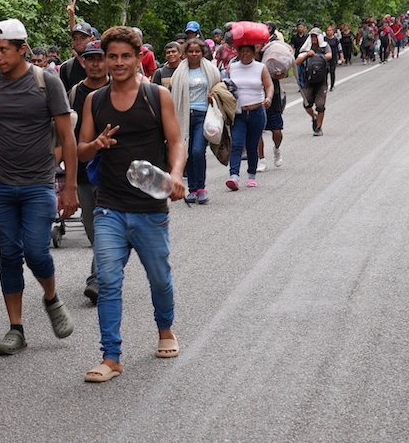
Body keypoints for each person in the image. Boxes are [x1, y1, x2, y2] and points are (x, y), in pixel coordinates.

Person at [76, 26, 186, 383]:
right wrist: (97, 145)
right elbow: (79, 150)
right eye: (112, 56)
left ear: (138, 58)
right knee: (108, 281)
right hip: (109, 206)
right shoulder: (95, 100)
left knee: (159, 279)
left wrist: (177, 175)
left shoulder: (157, 96)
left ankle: (165, 330)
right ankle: (111, 356)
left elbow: (176, 140)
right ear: (104, 60)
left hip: (150, 209)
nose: (119, 63)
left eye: (126, 56)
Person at [0, 19, 79, 357]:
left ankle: (51, 297)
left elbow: (68, 139)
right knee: (9, 255)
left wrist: (69, 187)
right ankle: (16, 328)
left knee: (37, 252)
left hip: (39, 184)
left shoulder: (47, 83)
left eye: (3, 50)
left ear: (22, 49)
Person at [67, 40, 109, 302]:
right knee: (90, 225)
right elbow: (66, 134)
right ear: (83, 61)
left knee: (104, 224)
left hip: (110, 170)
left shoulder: (117, 89)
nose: (94, 63)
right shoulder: (73, 93)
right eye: (89, 58)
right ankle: (106, 266)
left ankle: (98, 278)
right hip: (82, 168)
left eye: (99, 58)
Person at [170, 40, 222, 205]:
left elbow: (219, 88)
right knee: (187, 153)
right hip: (184, 115)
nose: (194, 54)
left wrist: (213, 96)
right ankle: (192, 189)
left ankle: (201, 188)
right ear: (186, 53)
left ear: (203, 52)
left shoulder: (211, 70)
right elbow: (174, 92)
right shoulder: (180, 71)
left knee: (198, 151)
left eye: (197, 51)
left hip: (203, 115)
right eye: (191, 51)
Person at [224, 44, 272, 190]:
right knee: (237, 144)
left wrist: (268, 98)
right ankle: (234, 176)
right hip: (238, 113)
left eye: (248, 52)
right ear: (238, 52)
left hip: (257, 111)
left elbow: (269, 85)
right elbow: (225, 85)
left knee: (252, 145)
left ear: (254, 52)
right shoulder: (232, 67)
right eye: (242, 51)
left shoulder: (260, 67)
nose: (245, 54)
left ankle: (251, 175)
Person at [295, 28, 332, 136]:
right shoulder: (307, 48)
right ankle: (314, 117)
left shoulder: (324, 47)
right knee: (306, 104)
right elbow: (297, 61)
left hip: (321, 81)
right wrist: (307, 55)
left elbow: (329, 55)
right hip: (309, 80)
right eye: (312, 37)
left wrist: (317, 56)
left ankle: (318, 127)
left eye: (315, 36)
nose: (313, 39)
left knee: (320, 105)